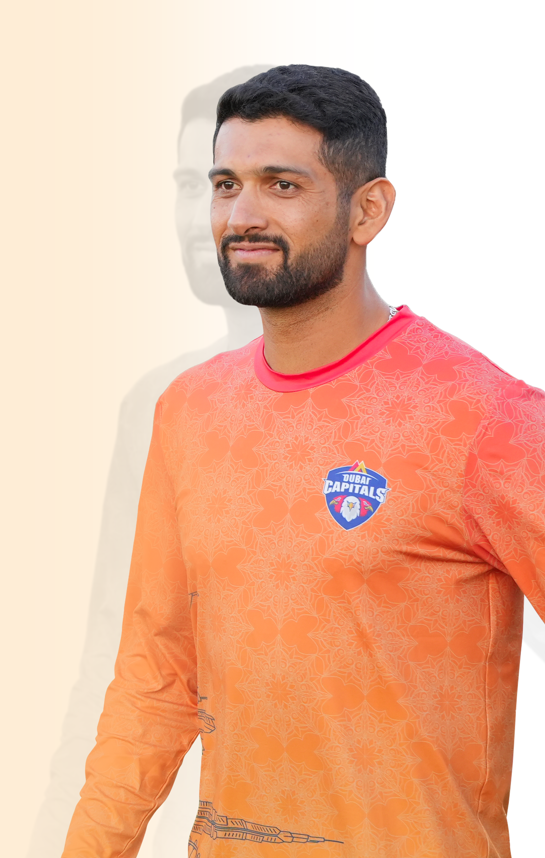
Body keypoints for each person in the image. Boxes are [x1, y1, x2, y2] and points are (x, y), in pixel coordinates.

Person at [62, 64, 545, 858]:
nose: (240, 215)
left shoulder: (483, 419)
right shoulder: (189, 410)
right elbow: (158, 674)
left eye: (281, 185)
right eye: (225, 184)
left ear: (367, 210)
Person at [26, 67, 269, 858]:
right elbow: (117, 653)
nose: (207, 218)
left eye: (246, 184)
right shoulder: (161, 403)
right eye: (195, 184)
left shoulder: (438, 406)